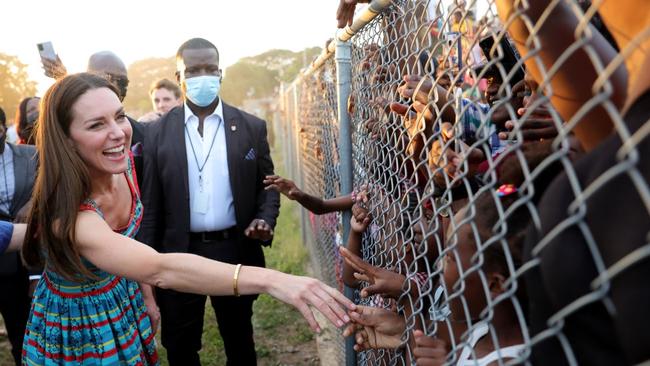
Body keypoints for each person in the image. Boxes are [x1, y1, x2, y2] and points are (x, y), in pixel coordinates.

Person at [20, 72, 355, 365]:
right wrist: (274, 280)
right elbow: (159, 268)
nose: (119, 133)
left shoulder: (123, 168)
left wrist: (145, 297)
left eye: (120, 117)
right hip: (80, 324)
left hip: (122, 299)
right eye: (96, 124)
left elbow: (131, 253)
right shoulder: (72, 218)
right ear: (64, 139)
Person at [139, 38, 281, 365]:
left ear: (221, 73)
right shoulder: (157, 133)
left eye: (209, 69)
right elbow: (151, 205)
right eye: (193, 70)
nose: (203, 76)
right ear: (179, 77)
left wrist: (265, 219)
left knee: (239, 340)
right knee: (180, 345)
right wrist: (147, 266)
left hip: (233, 249)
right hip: (178, 252)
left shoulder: (250, 127)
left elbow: (268, 186)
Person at [0, 106, 37, 365]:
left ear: (4, 127)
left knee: (21, 332)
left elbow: (47, 195)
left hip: (23, 262)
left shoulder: (31, 155)